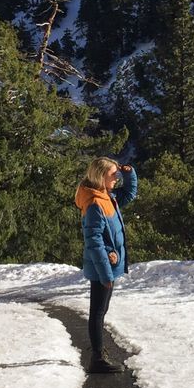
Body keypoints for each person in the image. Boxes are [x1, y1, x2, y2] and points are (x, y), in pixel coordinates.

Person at [74, 157, 137, 374]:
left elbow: (129, 194)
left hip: (108, 266)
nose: (116, 178)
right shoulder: (94, 204)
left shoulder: (107, 196)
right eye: (113, 175)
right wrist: (105, 273)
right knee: (98, 311)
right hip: (103, 268)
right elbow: (94, 242)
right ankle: (97, 358)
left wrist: (130, 175)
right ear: (101, 177)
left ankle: (98, 352)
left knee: (101, 310)